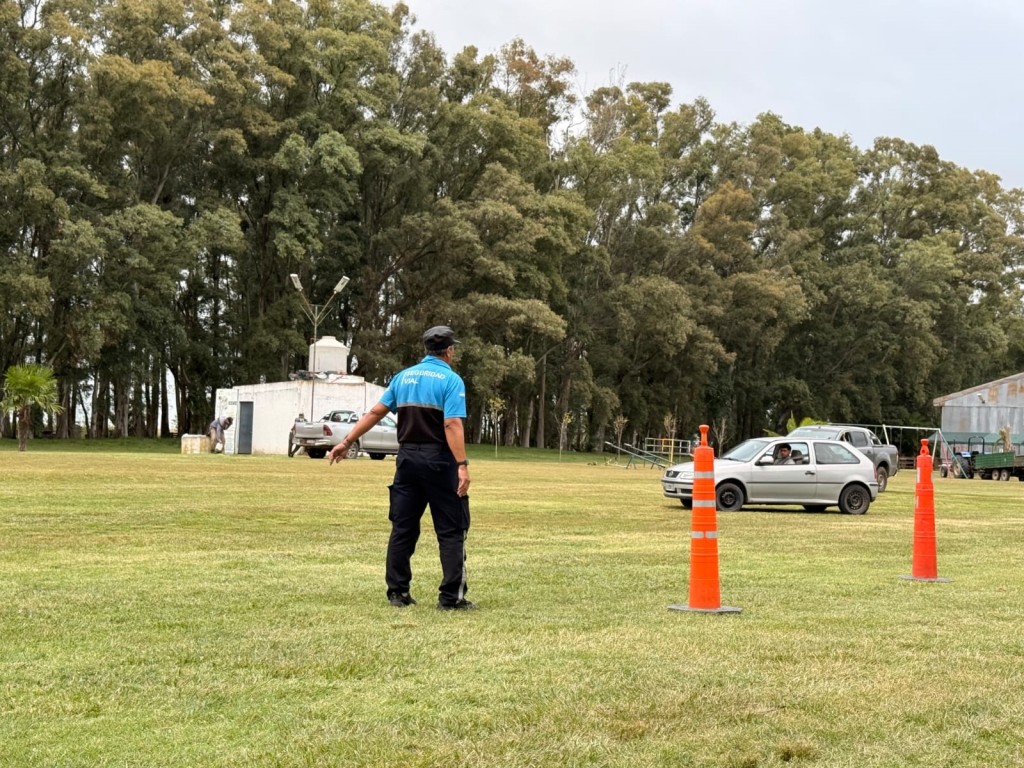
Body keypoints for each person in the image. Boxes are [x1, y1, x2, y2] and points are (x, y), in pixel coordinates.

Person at [328, 325, 474, 611]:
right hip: (439, 461)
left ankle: (398, 593)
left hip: (406, 460)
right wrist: (462, 464)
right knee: (451, 529)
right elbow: (452, 423)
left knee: (403, 527)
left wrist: (347, 441)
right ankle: (450, 598)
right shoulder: (451, 380)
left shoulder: (403, 377)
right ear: (449, 351)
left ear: (425, 349)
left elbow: (375, 413)